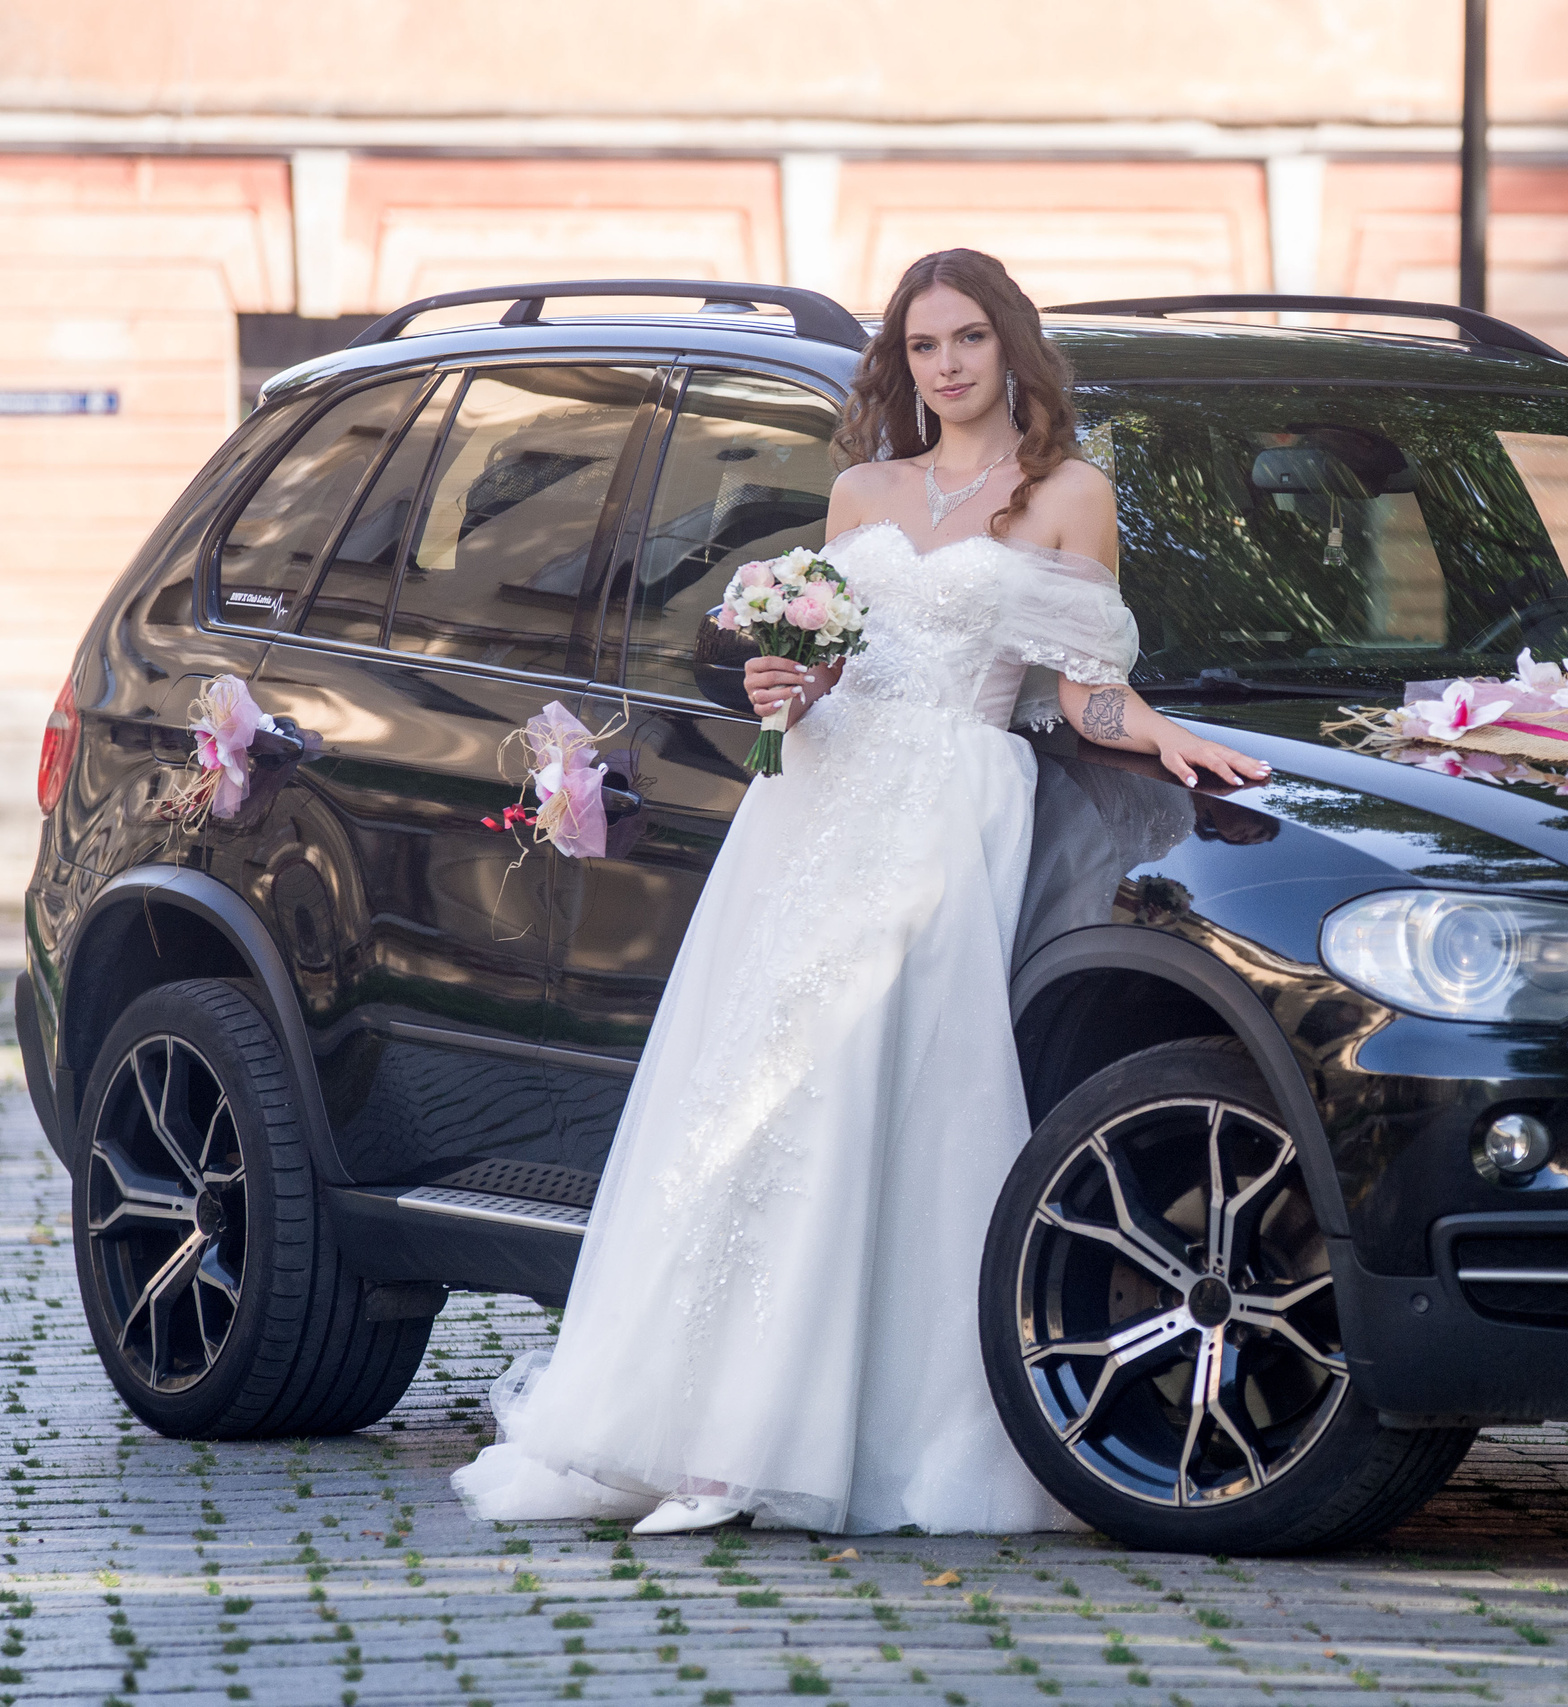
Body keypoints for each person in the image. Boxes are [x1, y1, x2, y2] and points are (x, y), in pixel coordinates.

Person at [450, 249, 1271, 1536]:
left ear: (1012, 348)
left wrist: (1165, 740)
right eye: (924, 345)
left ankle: (817, 1436)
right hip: (814, 804)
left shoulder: (1069, 495)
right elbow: (820, 660)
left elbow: (1080, 686)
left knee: (884, 1099)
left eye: (969, 340)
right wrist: (790, 688)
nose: (946, 367)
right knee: (750, 1097)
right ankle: (699, 1439)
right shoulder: (861, 491)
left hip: (949, 804)